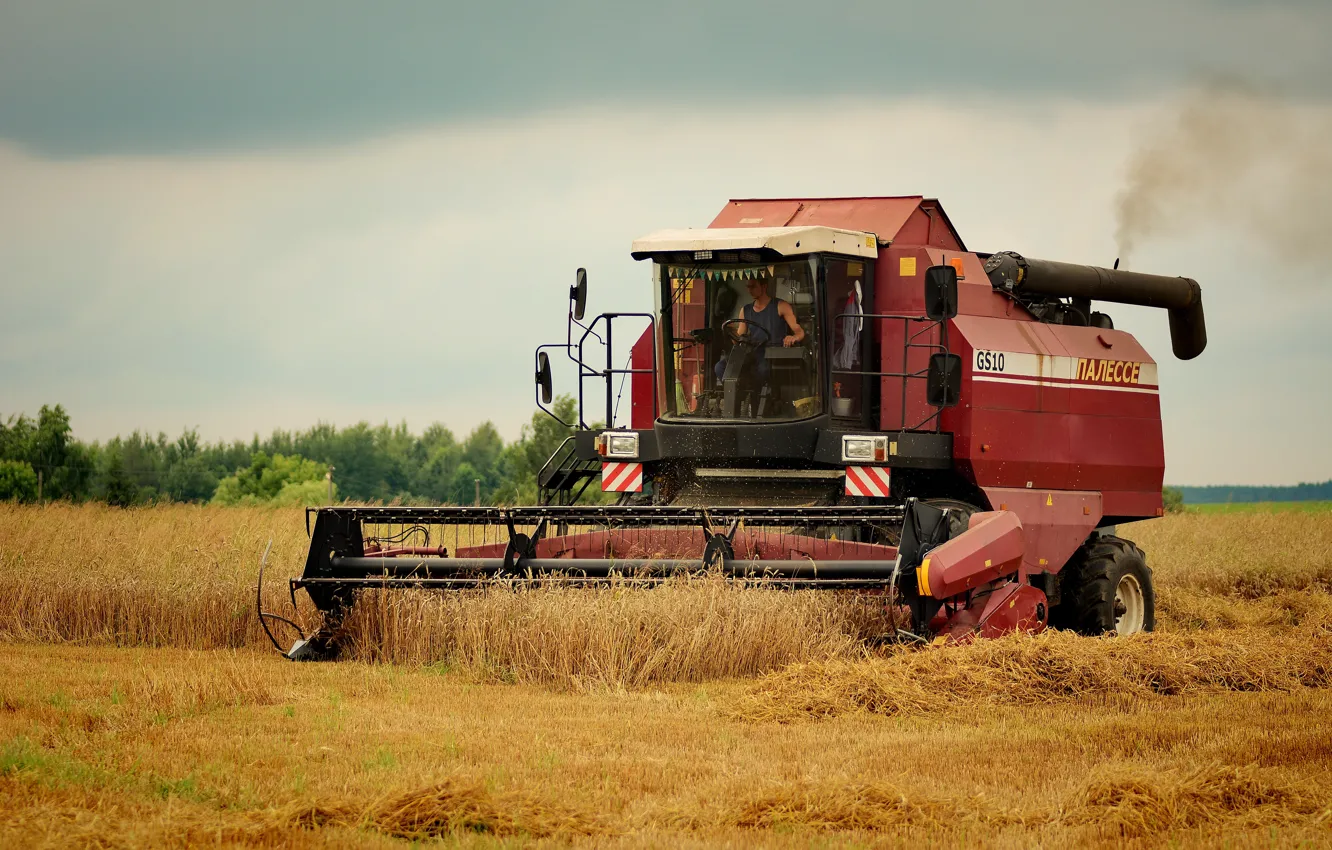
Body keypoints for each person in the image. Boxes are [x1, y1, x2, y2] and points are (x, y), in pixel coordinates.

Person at [714, 277, 805, 383]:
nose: (749, 290)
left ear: (764, 286)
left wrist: (793, 337)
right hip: (752, 353)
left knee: (763, 370)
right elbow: (740, 339)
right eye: (748, 287)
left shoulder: (781, 306)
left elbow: (800, 332)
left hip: (772, 353)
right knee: (720, 367)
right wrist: (731, 333)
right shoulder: (745, 310)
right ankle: (741, 392)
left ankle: (759, 394)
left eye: (753, 286)